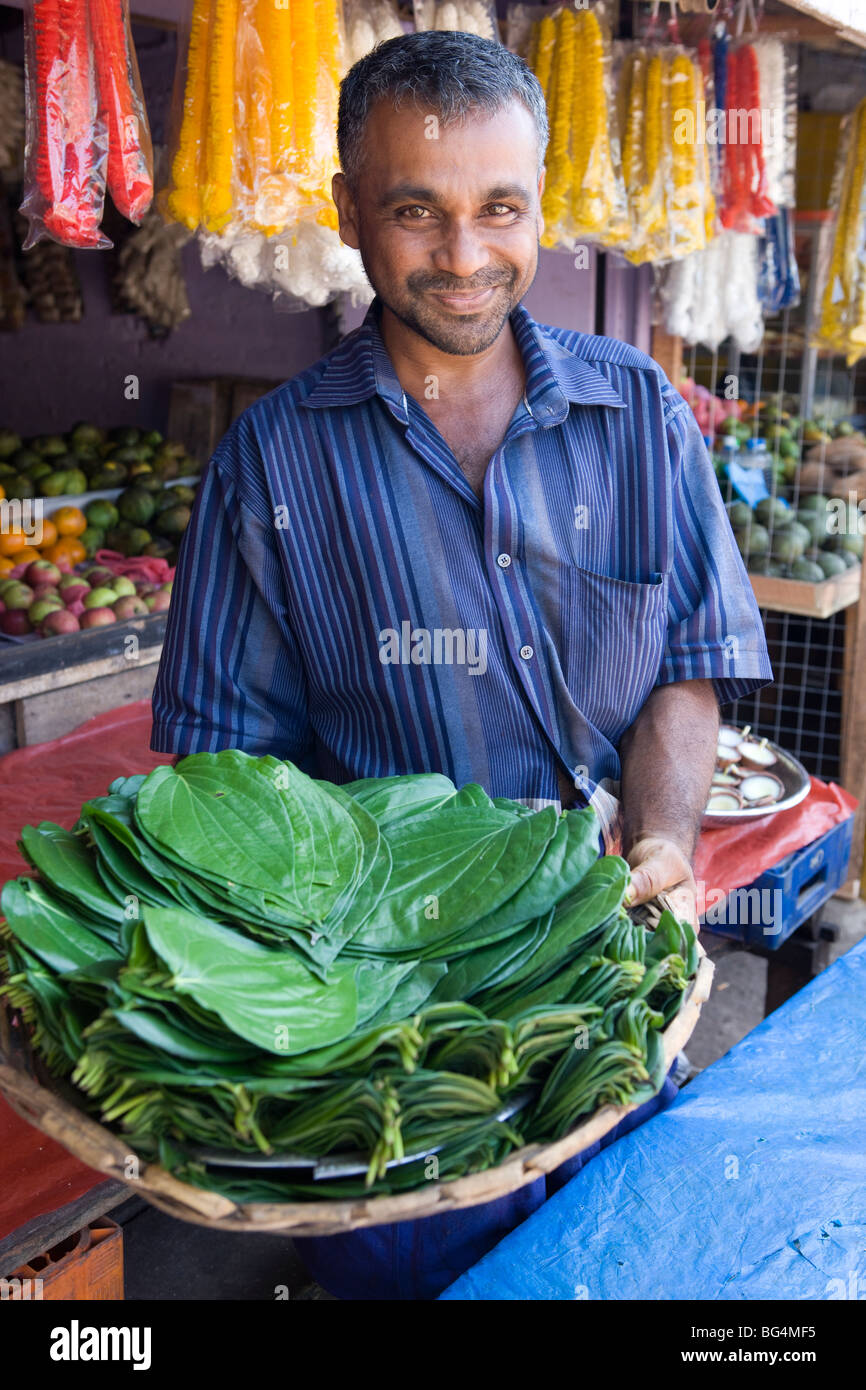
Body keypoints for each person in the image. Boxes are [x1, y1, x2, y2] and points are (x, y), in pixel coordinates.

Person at [151, 31, 772, 1298]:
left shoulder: (639, 419)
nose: (466, 255)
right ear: (347, 215)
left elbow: (683, 669)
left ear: (539, 202)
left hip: (603, 970)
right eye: (415, 213)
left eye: (500, 208)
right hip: (388, 1020)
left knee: (618, 1272)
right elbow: (222, 770)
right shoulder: (272, 466)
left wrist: (662, 838)